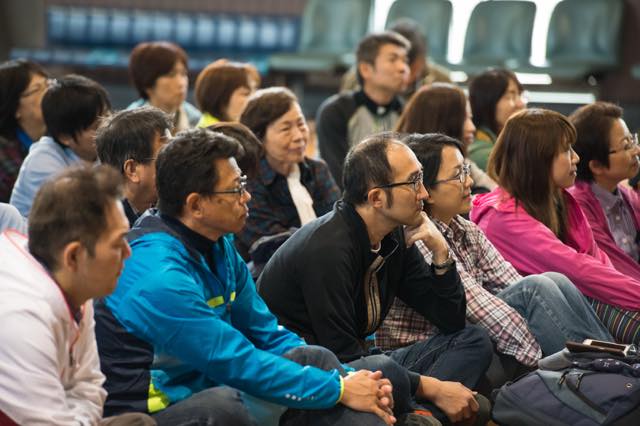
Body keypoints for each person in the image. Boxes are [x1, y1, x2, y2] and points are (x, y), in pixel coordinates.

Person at [94, 128, 400, 426]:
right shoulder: (158, 276)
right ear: (196, 205)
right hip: (152, 412)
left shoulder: (218, 244)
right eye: (236, 188)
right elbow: (232, 360)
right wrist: (339, 388)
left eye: (243, 182)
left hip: (215, 385)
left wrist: (349, 381)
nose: (247, 196)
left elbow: (266, 333)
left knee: (314, 358)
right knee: (225, 407)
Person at [259, 132, 493, 425]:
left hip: (366, 363)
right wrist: (433, 387)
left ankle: (415, 415)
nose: (423, 193)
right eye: (413, 182)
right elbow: (342, 357)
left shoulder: (393, 235)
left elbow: (450, 320)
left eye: (421, 178)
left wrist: (441, 254)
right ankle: (415, 413)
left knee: (474, 339)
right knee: (385, 367)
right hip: (313, 381)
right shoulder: (327, 250)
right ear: (376, 198)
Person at [377, 133, 612, 370]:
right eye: (458, 175)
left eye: (466, 170)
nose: (469, 181)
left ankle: (615, 361)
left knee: (554, 280)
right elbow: (477, 308)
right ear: (428, 190)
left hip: (471, 332)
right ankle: (598, 370)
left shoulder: (466, 228)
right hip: (434, 350)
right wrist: (539, 359)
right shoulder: (420, 236)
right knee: (535, 289)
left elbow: (508, 282)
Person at [0, 165, 154, 425]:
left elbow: (90, 386)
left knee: (138, 422)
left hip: (62, 416)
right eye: (117, 243)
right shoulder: (22, 317)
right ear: (74, 256)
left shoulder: (73, 280)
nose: (128, 252)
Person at [471, 108, 640, 344]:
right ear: (537, 158)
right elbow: (578, 270)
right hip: (536, 323)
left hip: (582, 300)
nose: (576, 158)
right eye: (566, 150)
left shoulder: (559, 199)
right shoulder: (503, 218)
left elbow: (596, 260)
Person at [237, 87, 340, 265]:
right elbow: (271, 245)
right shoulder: (248, 181)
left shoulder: (317, 170)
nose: (299, 136)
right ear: (259, 137)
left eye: (301, 124)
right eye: (286, 129)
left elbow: (339, 224)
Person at [317, 31, 410, 186]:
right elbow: (337, 173)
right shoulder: (335, 111)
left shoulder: (407, 112)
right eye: (393, 59)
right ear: (366, 69)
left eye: (405, 60)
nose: (403, 68)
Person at [10, 75, 111, 217]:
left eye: (108, 115)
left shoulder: (100, 150)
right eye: (96, 126)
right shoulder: (42, 162)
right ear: (65, 137)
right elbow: (83, 216)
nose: (107, 127)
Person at [568, 102, 640, 281]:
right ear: (597, 165)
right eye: (626, 146)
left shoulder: (629, 197)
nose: (636, 150)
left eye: (632, 140)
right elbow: (615, 271)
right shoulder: (578, 209)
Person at [395, 83, 496, 193]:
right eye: (463, 120)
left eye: (470, 118)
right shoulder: (407, 173)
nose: (472, 128)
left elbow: (495, 190)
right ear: (438, 124)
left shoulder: (463, 161)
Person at [96, 106, 172, 227]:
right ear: (132, 170)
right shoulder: (107, 227)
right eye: (166, 155)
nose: (176, 162)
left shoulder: (169, 205)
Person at [340, 19, 452, 99]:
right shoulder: (357, 79)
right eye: (392, 60)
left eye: (413, 70)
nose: (405, 76)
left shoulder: (443, 82)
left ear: (423, 60)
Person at [0, 59, 50, 201]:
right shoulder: (3, 152)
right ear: (15, 107)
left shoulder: (60, 134)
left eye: (48, 84)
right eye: (37, 89)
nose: (49, 92)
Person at [127, 41, 201, 132]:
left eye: (183, 74)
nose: (181, 83)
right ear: (148, 83)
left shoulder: (197, 120)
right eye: (171, 75)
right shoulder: (130, 125)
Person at [468, 68, 526, 171]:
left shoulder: (507, 144)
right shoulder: (483, 155)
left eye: (519, 95)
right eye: (509, 96)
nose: (520, 104)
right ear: (487, 102)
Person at [195, 61, 259, 127]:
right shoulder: (210, 132)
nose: (256, 98)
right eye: (246, 94)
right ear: (219, 98)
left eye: (255, 92)